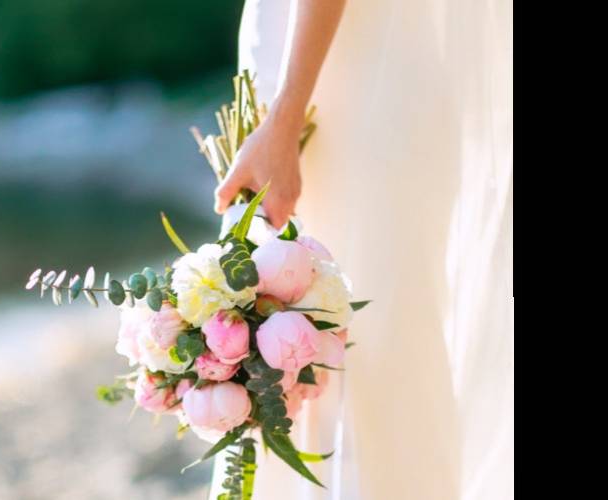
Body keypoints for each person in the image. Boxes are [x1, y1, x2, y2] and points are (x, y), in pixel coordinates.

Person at [209, 0, 513, 499]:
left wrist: (284, 119)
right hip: (320, 68)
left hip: (339, 81)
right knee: (316, 346)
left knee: (357, 345)